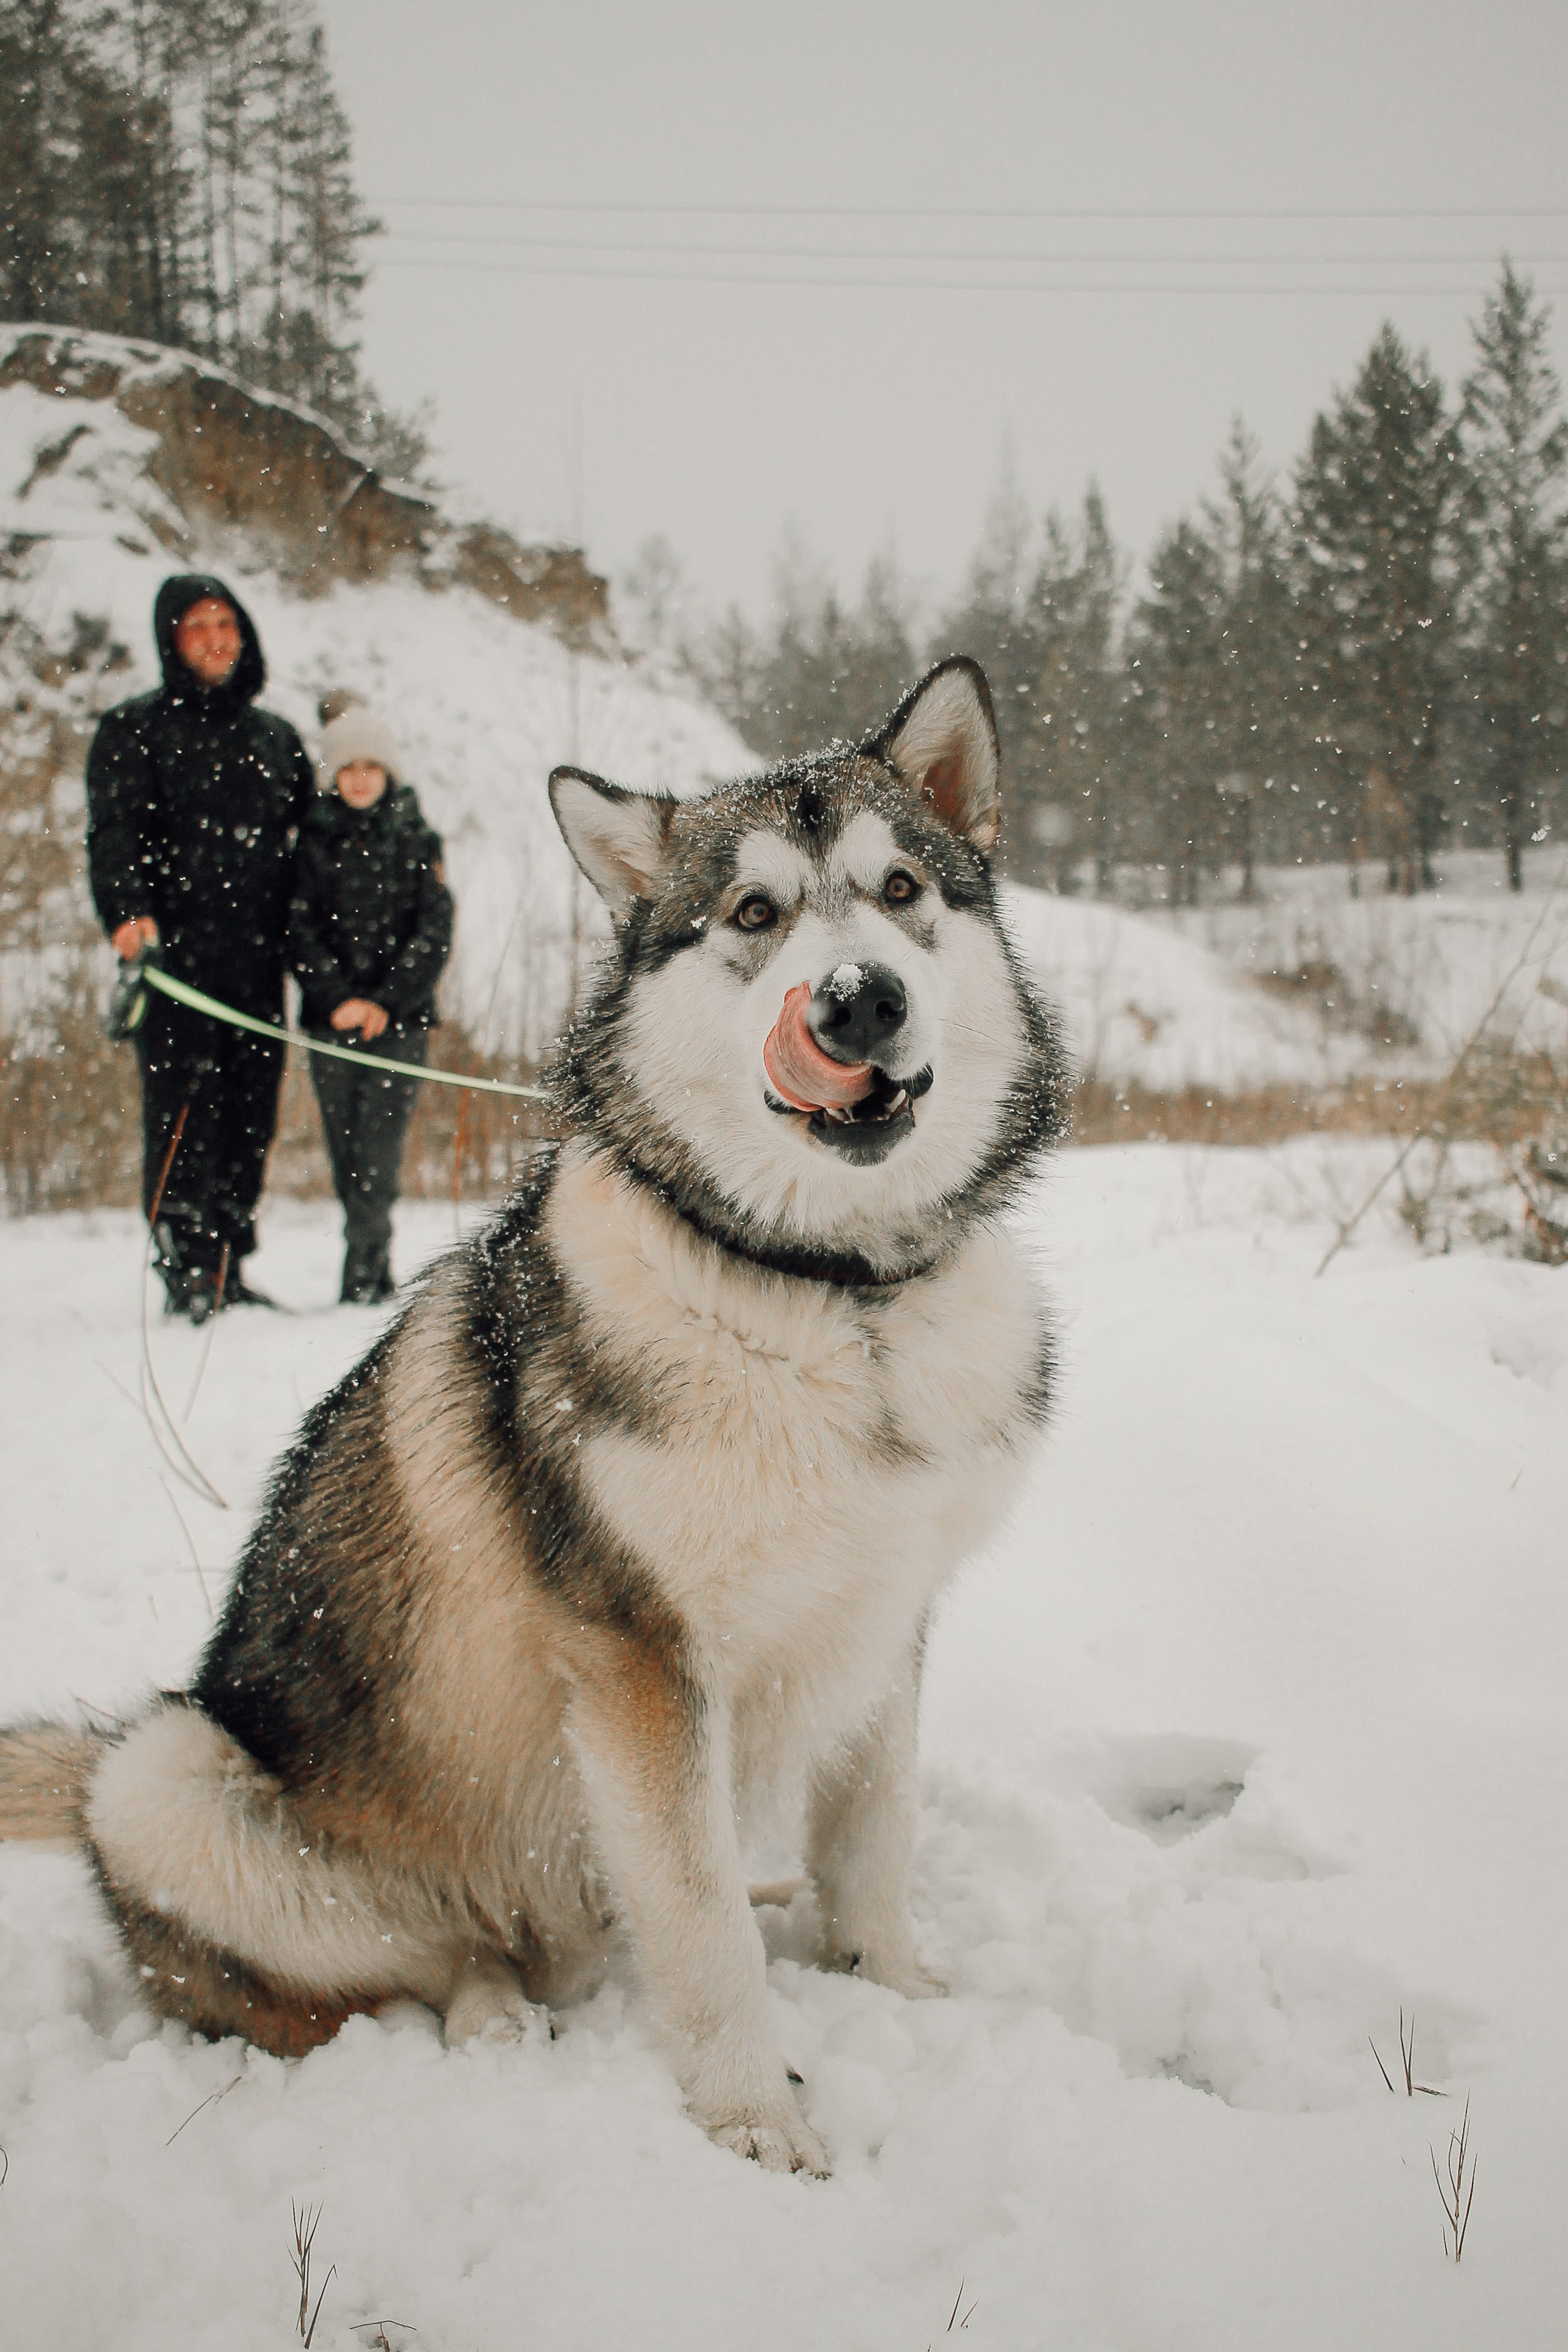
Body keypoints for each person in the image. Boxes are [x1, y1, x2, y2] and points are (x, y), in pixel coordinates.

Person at [87, 575, 316, 1320]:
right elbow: (113, 835)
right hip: (177, 968)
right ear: (171, 640)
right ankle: (185, 1265)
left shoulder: (276, 740)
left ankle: (227, 1264)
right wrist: (127, 915)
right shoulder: (133, 731)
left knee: (251, 1119)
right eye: (198, 626)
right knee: (185, 1115)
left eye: (227, 623)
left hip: (257, 965)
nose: (216, 638)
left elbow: (312, 849)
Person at [289, 703, 453, 1304]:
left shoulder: (418, 838)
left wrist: (386, 1000)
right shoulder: (311, 839)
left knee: (379, 1154)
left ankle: (366, 1275)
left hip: (398, 1026)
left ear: (389, 773)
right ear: (334, 775)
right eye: (348, 767)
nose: (360, 777)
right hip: (331, 1026)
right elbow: (298, 928)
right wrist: (337, 999)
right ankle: (366, 1265)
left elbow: (434, 929)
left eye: (371, 766)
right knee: (346, 1151)